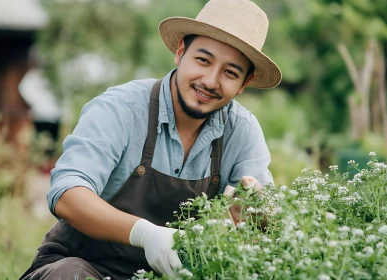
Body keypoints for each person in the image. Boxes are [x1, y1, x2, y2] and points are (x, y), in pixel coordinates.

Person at [20, 0, 282, 279]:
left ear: (244, 83)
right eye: (203, 60)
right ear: (180, 52)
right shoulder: (121, 108)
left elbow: (268, 226)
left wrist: (255, 212)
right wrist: (145, 234)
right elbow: (66, 195)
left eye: (230, 72)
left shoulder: (241, 130)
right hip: (85, 265)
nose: (210, 80)